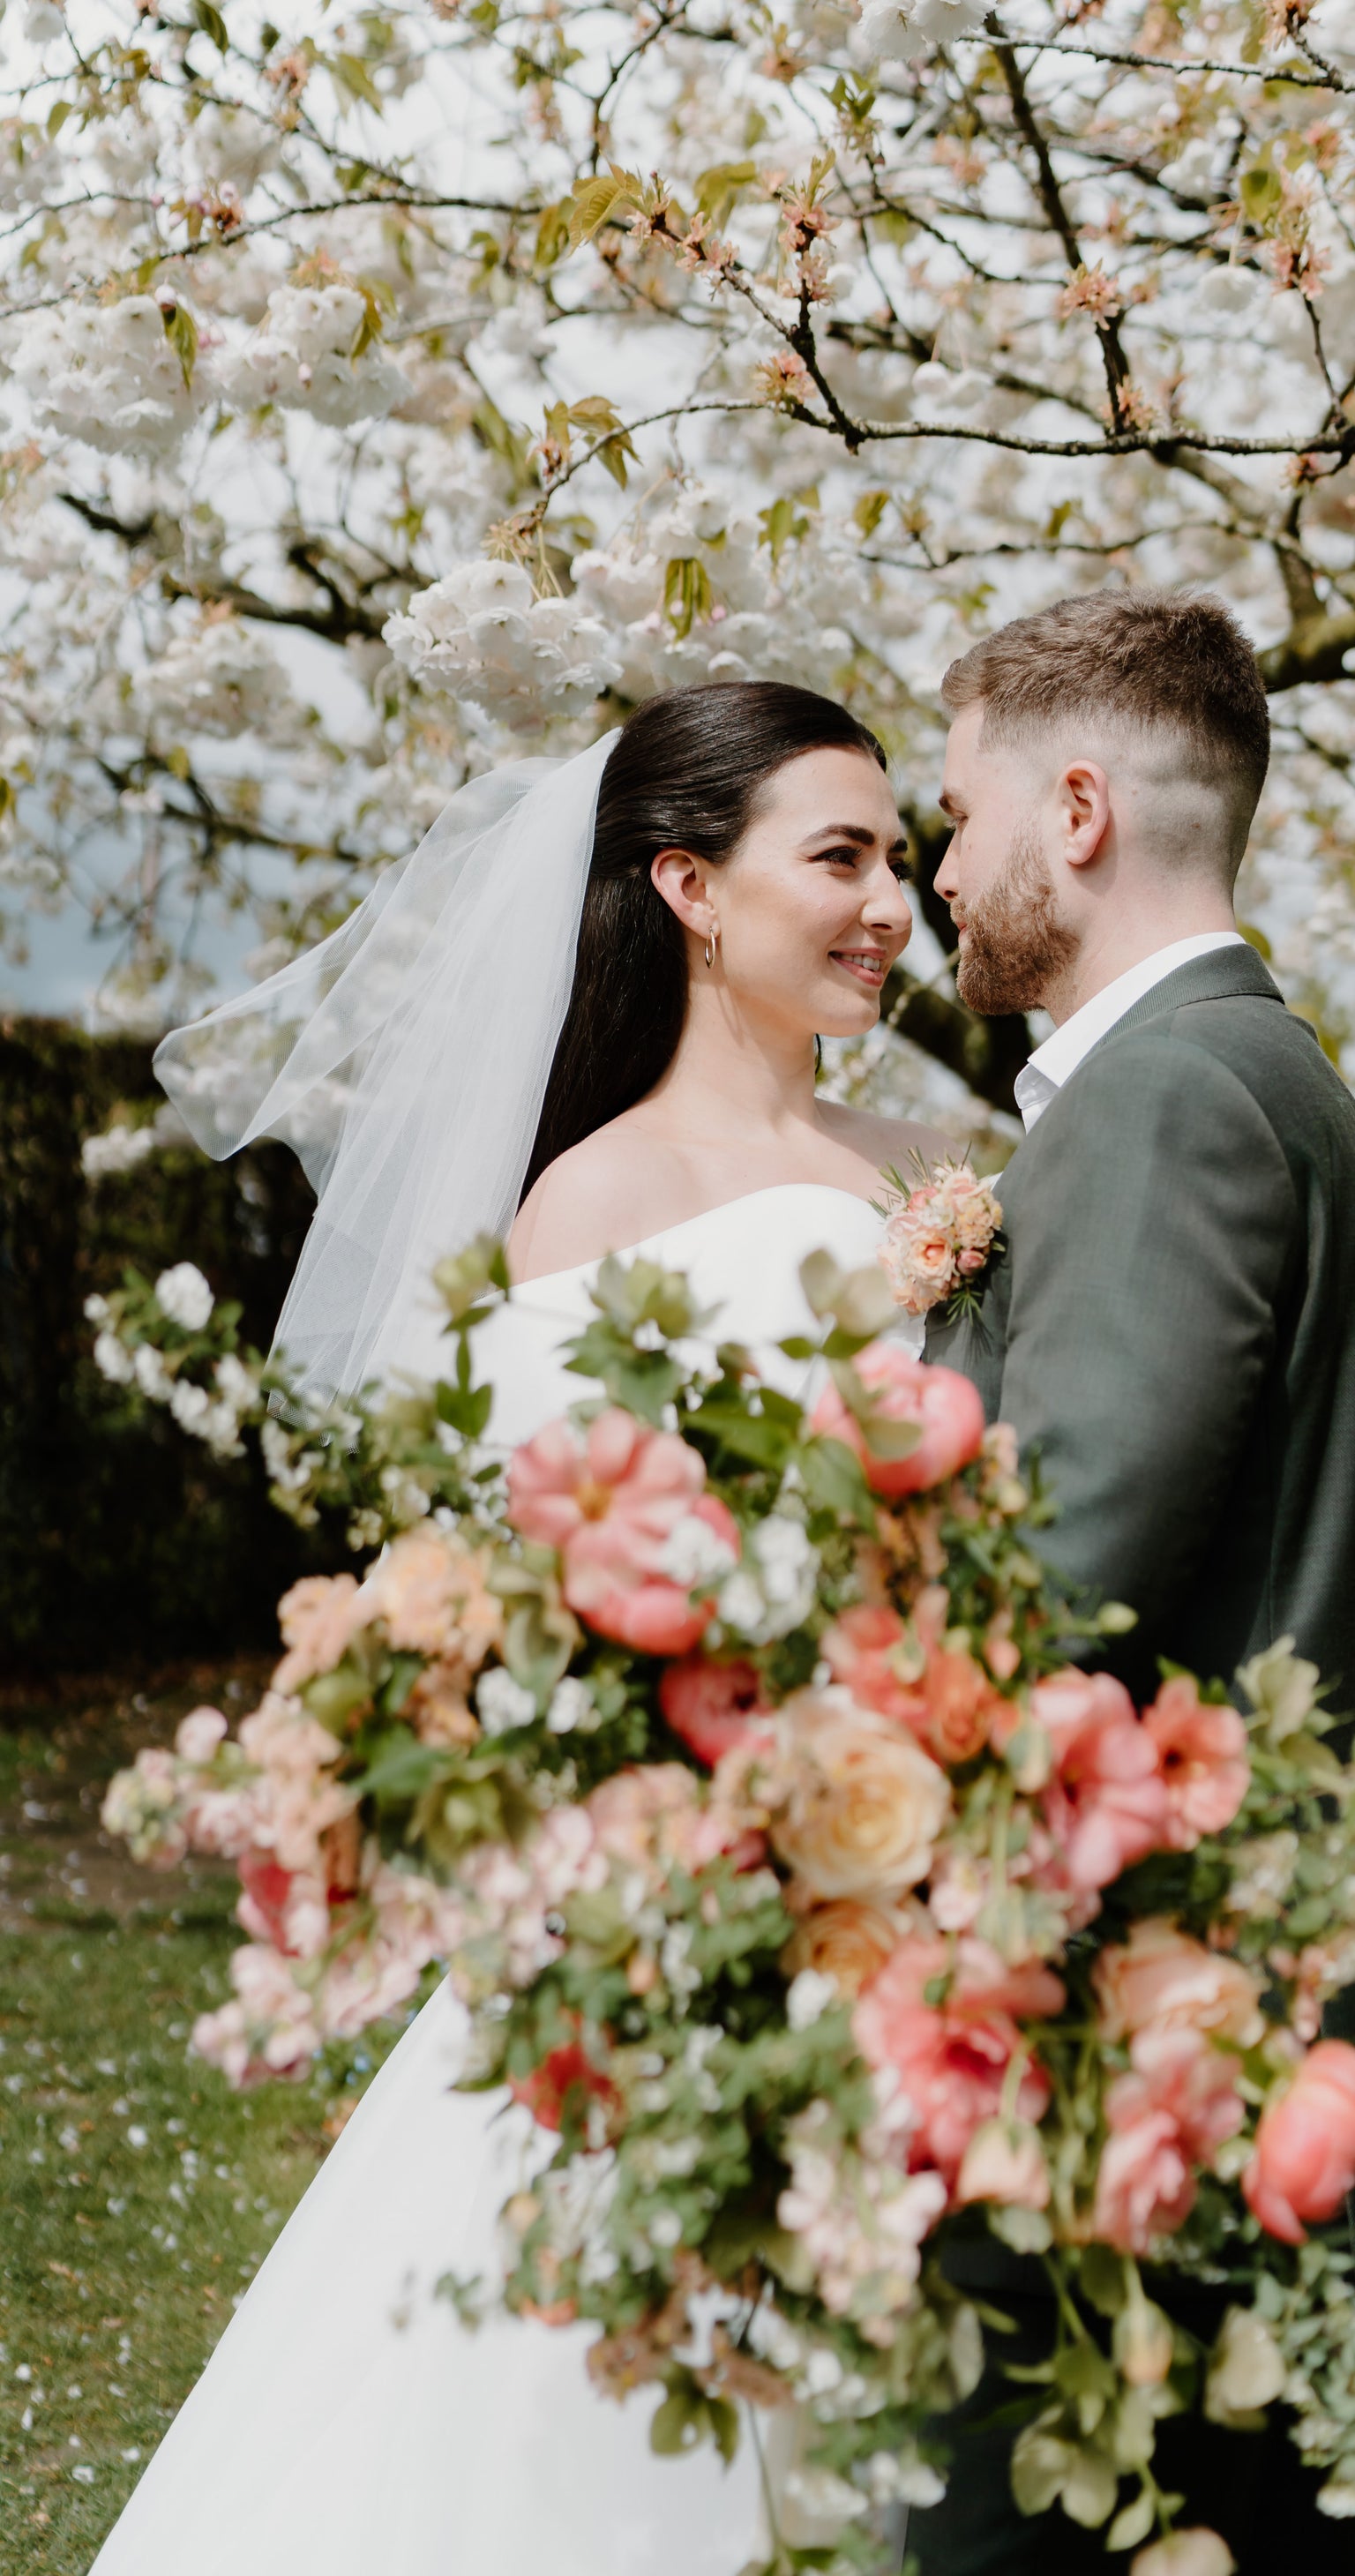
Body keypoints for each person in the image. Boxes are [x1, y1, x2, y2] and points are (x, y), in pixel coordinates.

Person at [91, 682, 948, 2576]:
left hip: (914, 1864)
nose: (894, 898)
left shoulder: (932, 1163)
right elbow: (561, 1581)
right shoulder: (592, 1204)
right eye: (841, 854)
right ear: (690, 886)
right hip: (671, 1880)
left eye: (899, 855)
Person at [906, 588, 1355, 2576]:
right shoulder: (1266, 1072)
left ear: (1074, 808)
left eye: (955, 819)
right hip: (1256, 2039)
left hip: (1154, 2050)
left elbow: (1050, 1582)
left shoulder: (1167, 1102)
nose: (938, 873)